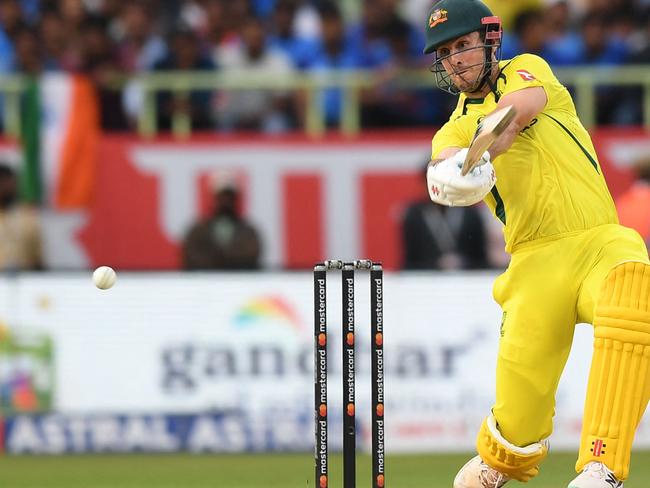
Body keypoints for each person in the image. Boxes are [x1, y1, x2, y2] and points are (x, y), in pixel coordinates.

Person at [422, 1, 650, 487]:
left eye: (462, 45)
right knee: (516, 430)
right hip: (533, 266)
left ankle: (601, 467)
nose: (455, 60)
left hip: (599, 243)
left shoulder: (528, 69)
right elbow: (442, 160)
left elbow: (519, 112)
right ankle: (496, 462)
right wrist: (446, 172)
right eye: (444, 53)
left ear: (489, 39)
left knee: (634, 296)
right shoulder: (454, 127)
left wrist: (482, 149)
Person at [402, 161, 489, 270]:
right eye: (431, 182)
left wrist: (463, 263)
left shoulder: (470, 213)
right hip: (427, 280)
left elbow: (481, 259)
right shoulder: (415, 216)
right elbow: (410, 261)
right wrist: (435, 265)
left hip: (466, 279)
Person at [181, 174, 261, 270]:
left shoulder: (248, 232)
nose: (226, 201)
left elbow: (251, 256)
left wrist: (219, 260)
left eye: (229, 197)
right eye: (222, 196)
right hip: (205, 282)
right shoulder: (198, 230)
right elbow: (191, 256)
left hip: (238, 282)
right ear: (214, 198)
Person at [0, 164, 42, 271]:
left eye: (9, 183)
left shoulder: (27, 218)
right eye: (2, 183)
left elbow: (38, 260)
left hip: (25, 282)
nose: (5, 188)